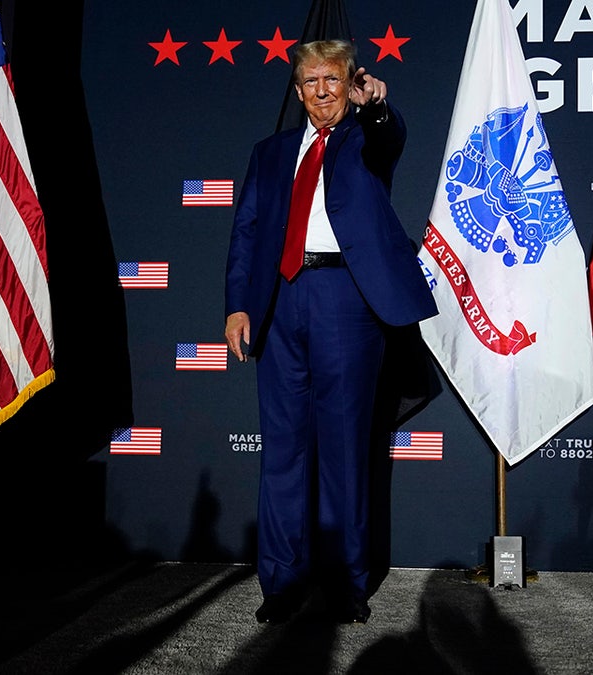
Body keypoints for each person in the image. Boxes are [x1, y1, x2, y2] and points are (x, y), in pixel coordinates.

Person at [224, 40, 437, 624]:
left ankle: (347, 582)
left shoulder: (366, 139)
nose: (322, 90)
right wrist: (239, 306)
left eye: (334, 80)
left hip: (346, 298)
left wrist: (376, 108)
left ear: (349, 86)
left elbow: (390, 134)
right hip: (278, 302)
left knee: (345, 450)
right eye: (311, 81)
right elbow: (246, 233)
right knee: (284, 451)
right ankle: (283, 580)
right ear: (297, 91)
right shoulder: (268, 153)